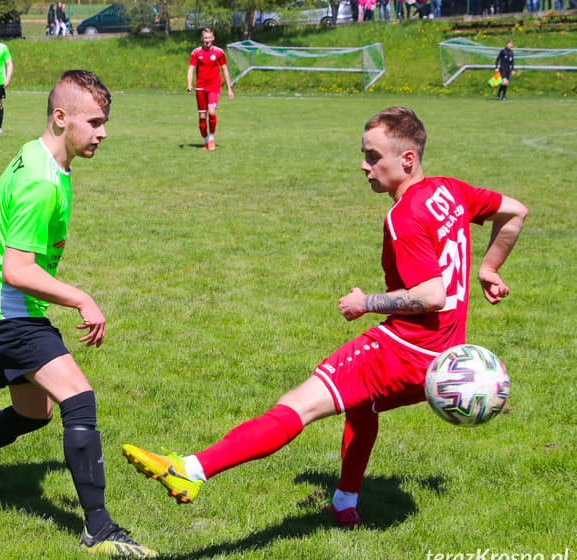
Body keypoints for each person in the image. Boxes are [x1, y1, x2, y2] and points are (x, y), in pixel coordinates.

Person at [122, 107, 527, 529]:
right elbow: (515, 211)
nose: (364, 166)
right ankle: (344, 501)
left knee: (297, 405)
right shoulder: (451, 190)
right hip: (442, 356)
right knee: (362, 406)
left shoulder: (404, 215)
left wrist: (365, 302)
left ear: (407, 159)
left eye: (373, 157)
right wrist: (489, 268)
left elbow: (430, 294)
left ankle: (191, 470)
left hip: (400, 352)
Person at [0, 70, 157, 559]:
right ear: (61, 118)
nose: (103, 132)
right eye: (95, 122)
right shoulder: (41, 182)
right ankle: (99, 530)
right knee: (78, 398)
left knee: (32, 411)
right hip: (6, 306)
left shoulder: (42, 155)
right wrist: (81, 297)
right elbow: (16, 269)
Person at [187, 28, 234, 151]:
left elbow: (224, 69)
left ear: (213, 38)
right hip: (200, 87)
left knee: (212, 112)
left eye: (209, 38)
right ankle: (206, 141)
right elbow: (191, 68)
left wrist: (229, 88)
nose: (207, 40)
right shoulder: (196, 52)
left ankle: (212, 139)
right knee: (202, 116)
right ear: (202, 39)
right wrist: (189, 84)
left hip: (214, 86)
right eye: (205, 38)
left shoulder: (219, 52)